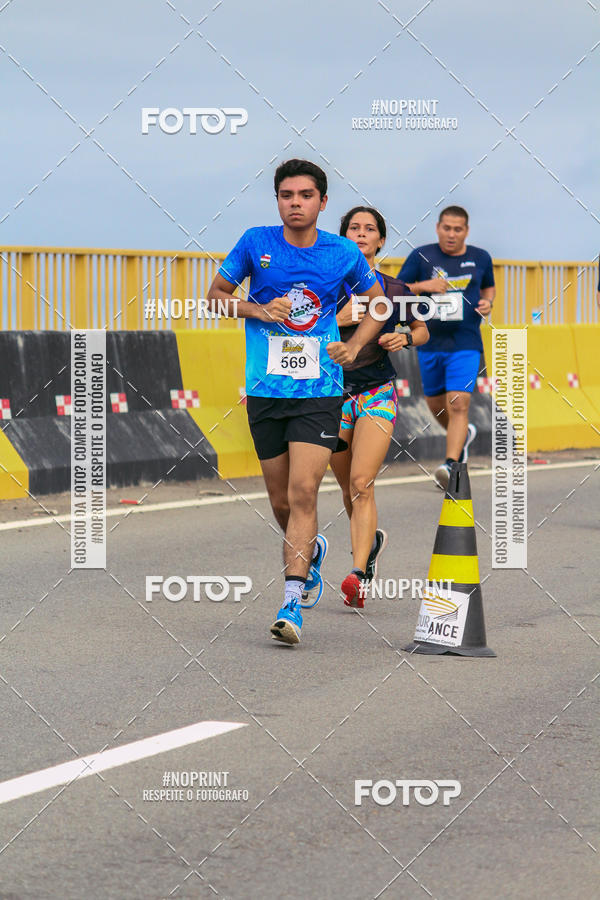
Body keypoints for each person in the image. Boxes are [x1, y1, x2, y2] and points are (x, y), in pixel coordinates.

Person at [207, 159, 389, 644]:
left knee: (304, 492)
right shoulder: (255, 243)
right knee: (281, 500)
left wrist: (354, 346)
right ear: (277, 200)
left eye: (305, 195)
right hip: (265, 390)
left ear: (322, 202)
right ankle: (312, 552)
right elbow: (216, 296)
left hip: (320, 392)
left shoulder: (342, 252)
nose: (295, 203)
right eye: (286, 195)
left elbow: (379, 304)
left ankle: (291, 603)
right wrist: (257, 308)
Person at [325, 207, 429, 608]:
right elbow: (297, 331)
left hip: (377, 393)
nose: (361, 233)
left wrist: (404, 338)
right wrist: (338, 318)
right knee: (346, 487)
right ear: (343, 237)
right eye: (354, 227)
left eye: (370, 229)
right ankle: (369, 545)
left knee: (361, 483)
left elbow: (422, 329)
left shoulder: (395, 289)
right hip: (332, 395)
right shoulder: (326, 283)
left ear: (381, 240)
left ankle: (357, 574)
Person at [398, 206, 495, 489]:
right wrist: (424, 285)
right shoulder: (421, 256)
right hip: (429, 342)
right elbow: (398, 288)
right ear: (438, 228)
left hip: (465, 341)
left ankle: (451, 463)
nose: (452, 234)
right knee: (437, 405)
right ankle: (464, 434)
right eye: (447, 228)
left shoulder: (481, 257)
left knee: (458, 403)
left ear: (466, 231)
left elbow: (488, 287)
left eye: (458, 229)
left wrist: (488, 303)